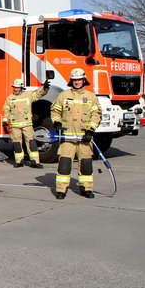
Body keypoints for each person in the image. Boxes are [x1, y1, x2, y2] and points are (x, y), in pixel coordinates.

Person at [51, 68, 102, 199]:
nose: (77, 82)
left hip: (84, 137)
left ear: (84, 80)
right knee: (64, 164)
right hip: (68, 136)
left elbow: (96, 115)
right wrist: (56, 123)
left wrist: (90, 130)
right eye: (74, 80)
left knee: (86, 164)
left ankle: (86, 189)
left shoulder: (91, 97)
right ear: (71, 81)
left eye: (79, 80)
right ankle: (61, 190)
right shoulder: (63, 95)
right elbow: (55, 111)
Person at [2, 78, 50, 168]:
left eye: (17, 87)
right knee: (17, 144)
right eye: (14, 87)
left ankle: (35, 162)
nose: (15, 89)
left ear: (21, 88)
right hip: (15, 125)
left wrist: (45, 88)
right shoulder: (10, 98)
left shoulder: (28, 95)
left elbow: (39, 94)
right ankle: (19, 161)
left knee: (31, 142)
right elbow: (6, 111)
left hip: (27, 124)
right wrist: (5, 122)